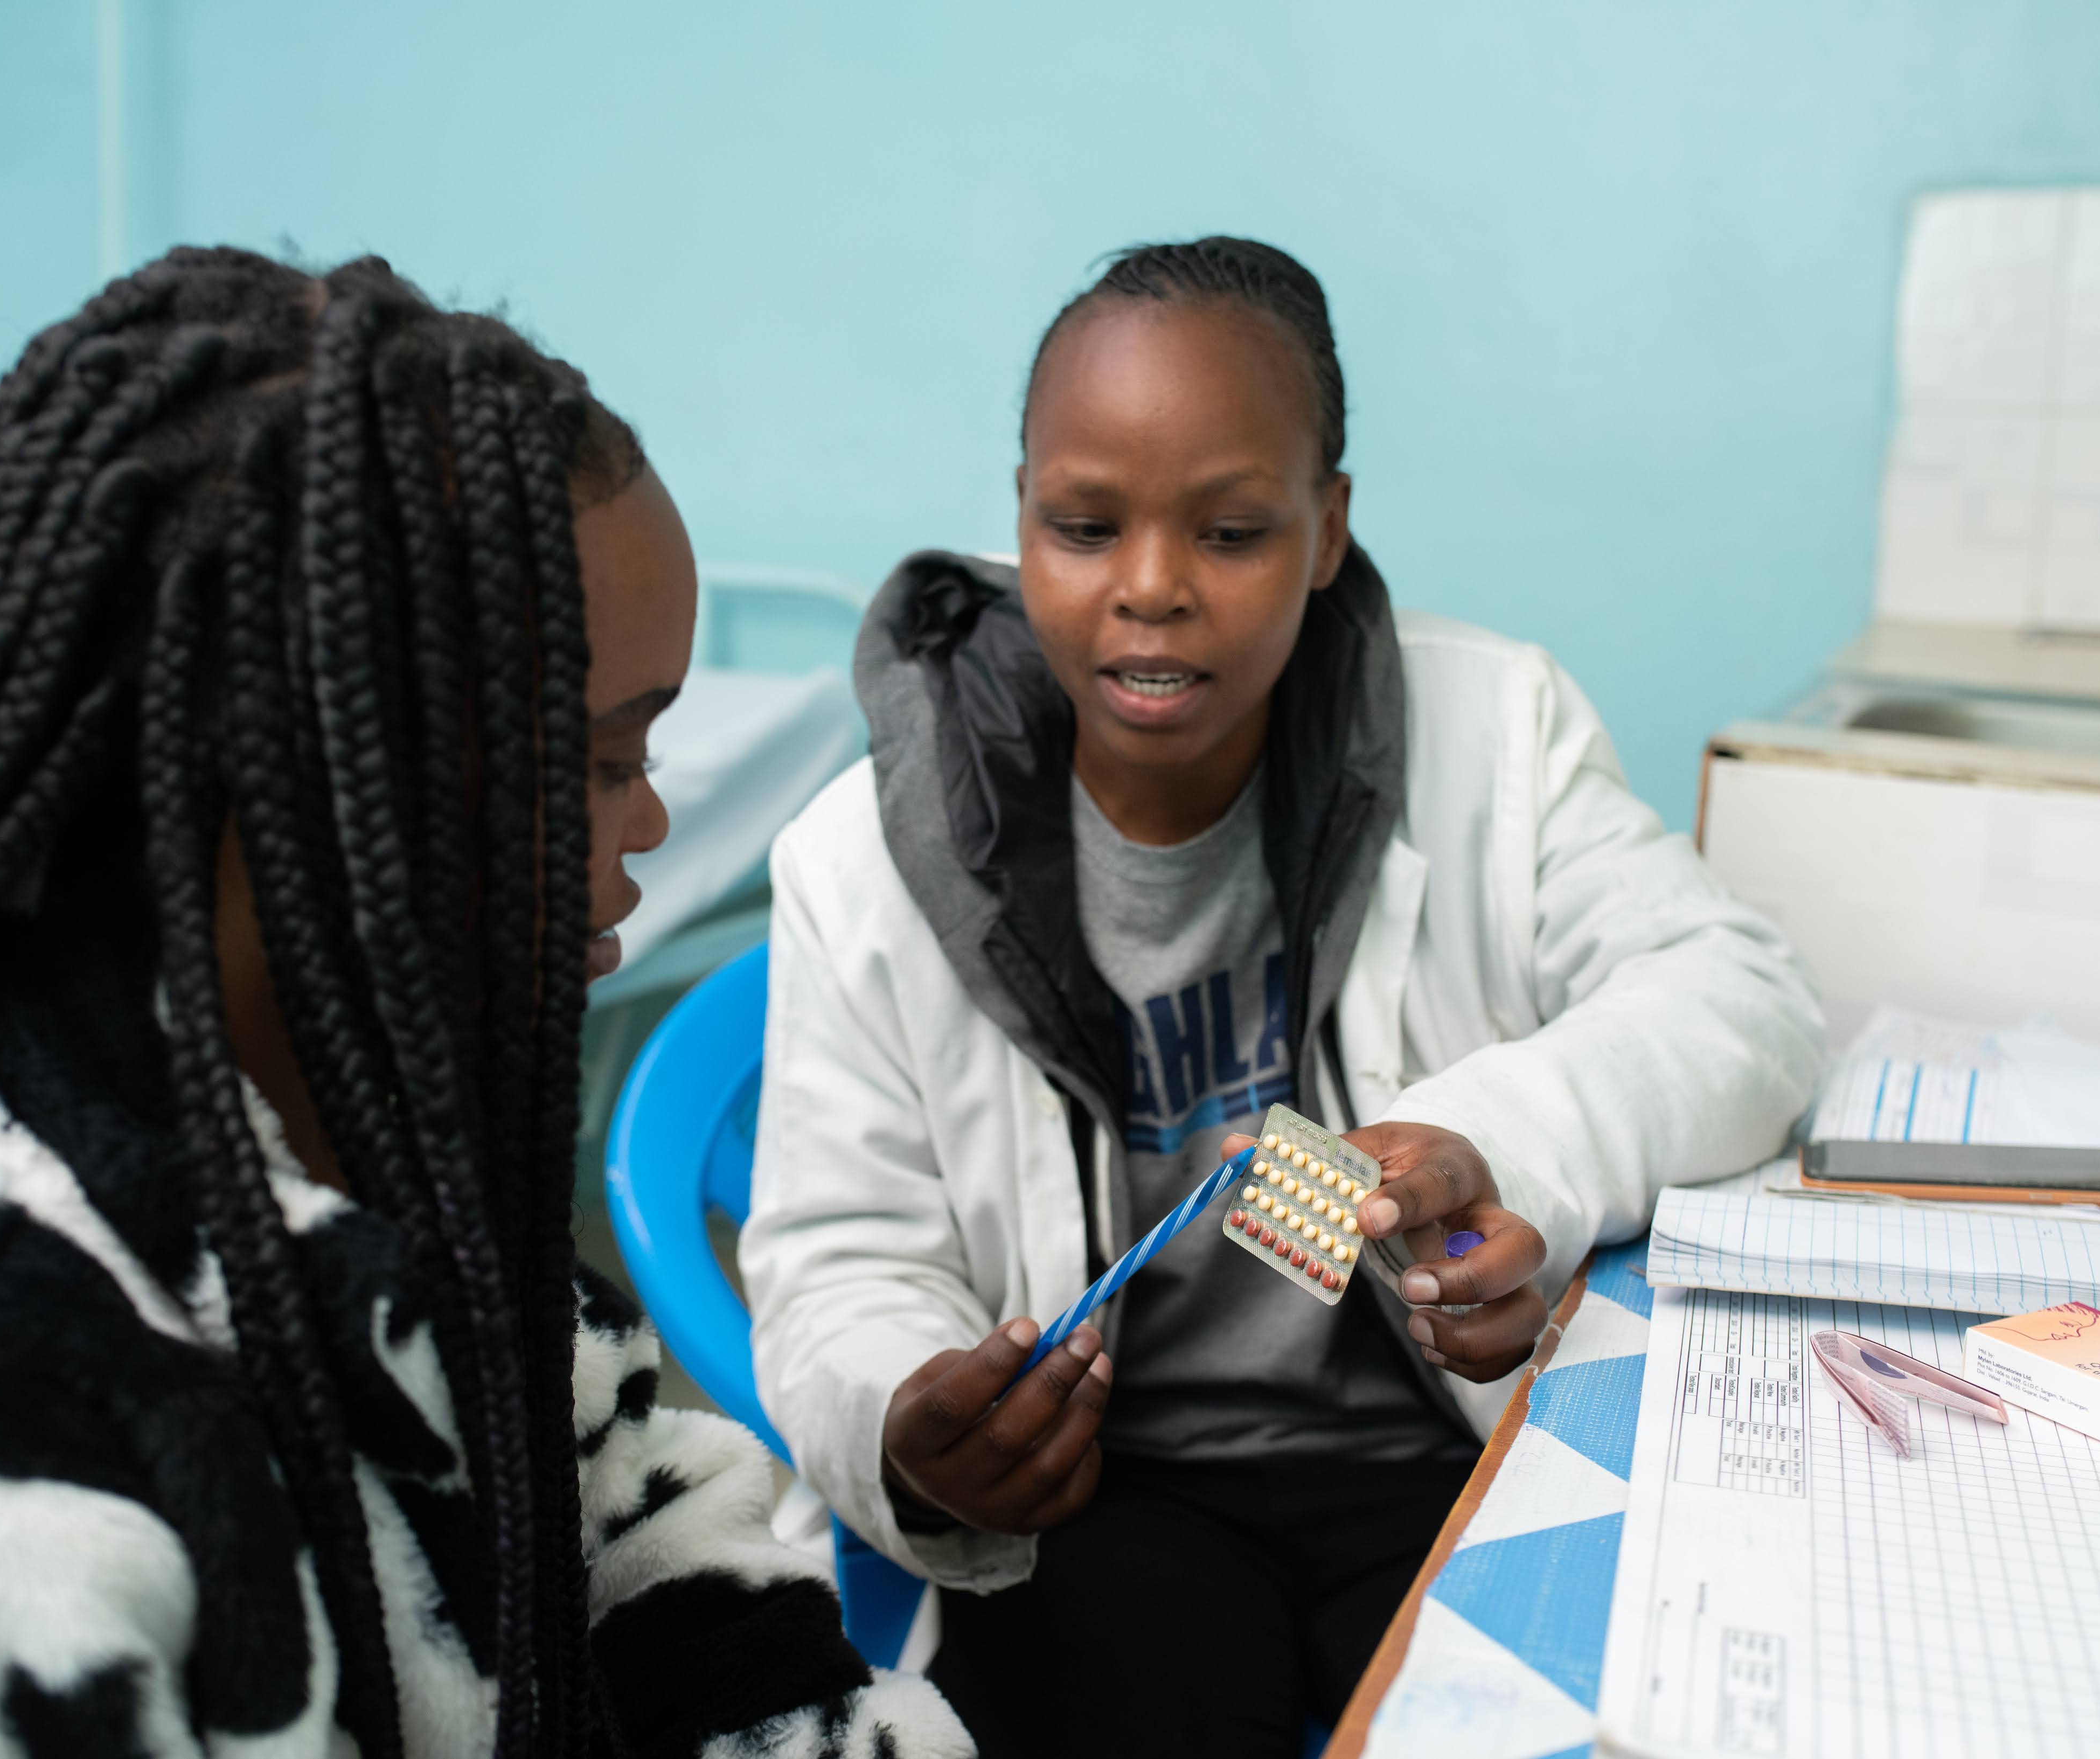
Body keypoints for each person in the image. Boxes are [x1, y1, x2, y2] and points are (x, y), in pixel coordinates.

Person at [0, 249, 969, 1759]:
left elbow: (680, 1587)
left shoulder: (411, 1216)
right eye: (608, 759)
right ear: (309, 796)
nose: (648, 827)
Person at [741, 237, 1826, 1756]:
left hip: (1435, 1445)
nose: (1149, 588)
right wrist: (915, 1425)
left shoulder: (1487, 731)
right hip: (1110, 1494)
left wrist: (1487, 1135)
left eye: (1233, 529)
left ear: (1328, 531)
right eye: (1081, 523)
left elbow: (1742, 999)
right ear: (1019, 521)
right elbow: (838, 1258)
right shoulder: (866, 855)